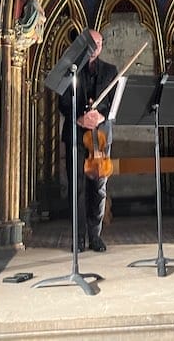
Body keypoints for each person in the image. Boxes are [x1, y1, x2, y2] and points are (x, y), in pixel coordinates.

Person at [58, 30, 118, 253]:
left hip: (101, 137)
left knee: (98, 188)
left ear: (102, 46)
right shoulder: (69, 70)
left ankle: (95, 235)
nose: (95, 47)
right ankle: (78, 237)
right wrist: (79, 118)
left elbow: (113, 103)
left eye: (99, 43)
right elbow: (62, 103)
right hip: (76, 132)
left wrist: (100, 116)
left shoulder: (110, 71)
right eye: (91, 43)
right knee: (78, 188)